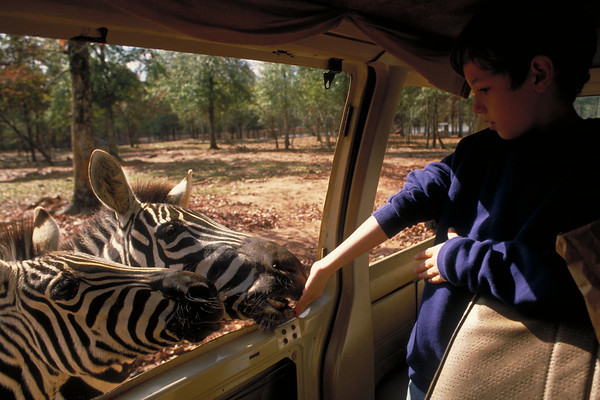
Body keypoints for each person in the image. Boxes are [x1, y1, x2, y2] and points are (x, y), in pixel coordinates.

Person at [294, 2, 599, 399]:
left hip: (506, 383)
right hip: (427, 368)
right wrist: (329, 264)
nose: (475, 104)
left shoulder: (591, 165)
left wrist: (456, 257)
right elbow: (413, 198)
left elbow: (573, 284)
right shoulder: (477, 152)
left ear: (538, 73)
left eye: (484, 88)